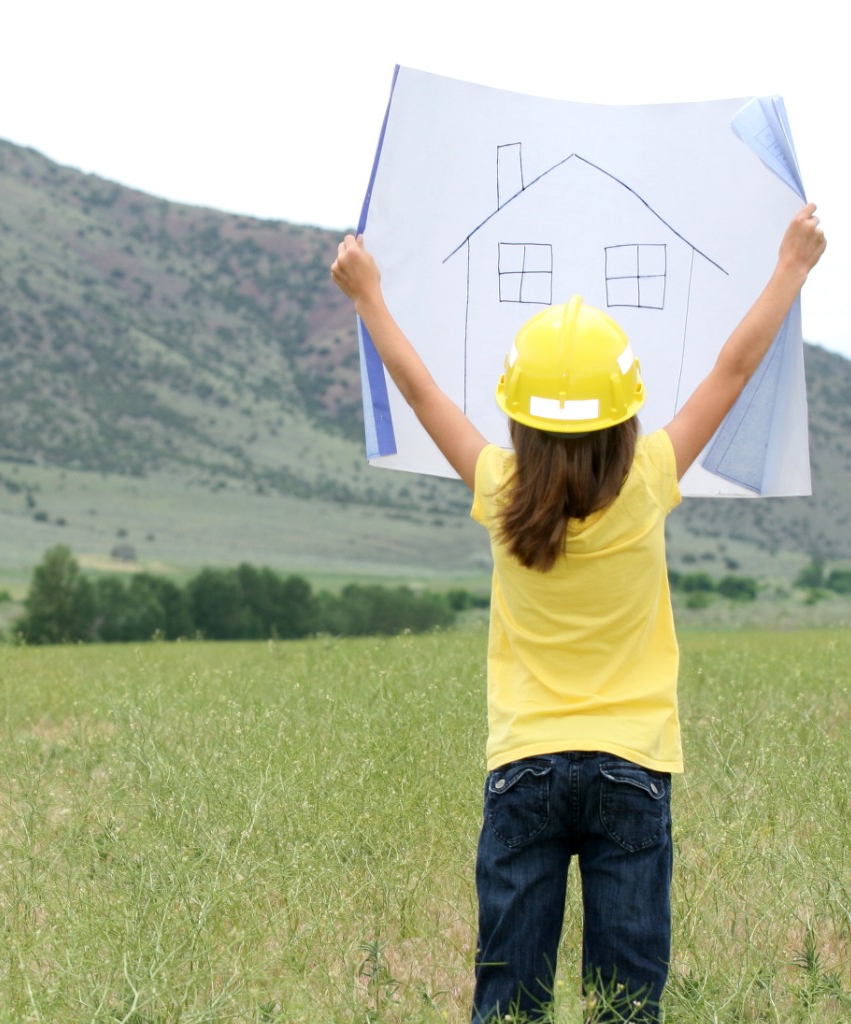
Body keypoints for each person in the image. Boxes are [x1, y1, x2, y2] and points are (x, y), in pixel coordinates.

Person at [331, 204, 825, 1023]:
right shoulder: (651, 479)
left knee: (510, 1005)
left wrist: (369, 297)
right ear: (627, 414)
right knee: (627, 1006)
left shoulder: (497, 489)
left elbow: (419, 392)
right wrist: (790, 268)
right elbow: (733, 371)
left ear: (518, 419)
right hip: (632, 766)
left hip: (523, 764)